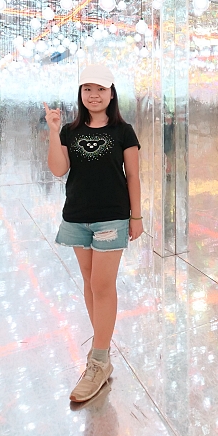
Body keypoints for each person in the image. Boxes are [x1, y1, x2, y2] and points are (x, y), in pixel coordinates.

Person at [43, 64, 143, 403]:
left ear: (111, 93)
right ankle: (103, 346)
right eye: (87, 89)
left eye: (100, 89)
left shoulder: (124, 131)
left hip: (112, 219)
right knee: (89, 284)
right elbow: (59, 169)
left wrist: (137, 216)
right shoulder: (70, 131)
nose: (94, 95)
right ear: (81, 94)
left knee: (102, 285)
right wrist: (54, 131)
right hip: (77, 218)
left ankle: (98, 361)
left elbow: (134, 177)